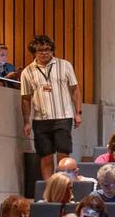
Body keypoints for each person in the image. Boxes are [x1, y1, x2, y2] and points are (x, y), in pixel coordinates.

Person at [19, 35, 81, 188]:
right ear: (34, 52)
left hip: (63, 116)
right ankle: (50, 190)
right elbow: (26, 98)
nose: (45, 53)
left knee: (63, 156)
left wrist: (78, 112)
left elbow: (75, 89)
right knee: (45, 157)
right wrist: (26, 121)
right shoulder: (27, 72)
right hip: (41, 120)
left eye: (48, 49)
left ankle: (64, 187)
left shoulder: (64, 65)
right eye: (40, 50)